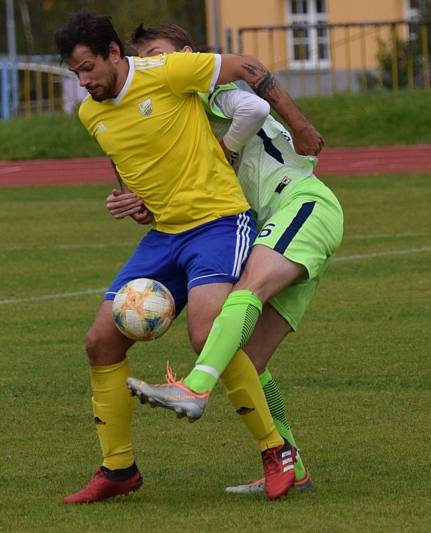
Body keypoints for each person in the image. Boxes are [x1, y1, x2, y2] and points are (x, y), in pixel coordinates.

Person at [55, 12, 324, 504]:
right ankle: (118, 469)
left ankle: (275, 450)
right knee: (99, 342)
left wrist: (301, 125)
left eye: (89, 67)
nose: (85, 80)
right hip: (163, 236)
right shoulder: (90, 114)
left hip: (220, 223)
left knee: (207, 333)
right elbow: (127, 164)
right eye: (76, 73)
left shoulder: (167, 72)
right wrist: (127, 198)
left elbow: (245, 65)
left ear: (115, 53)